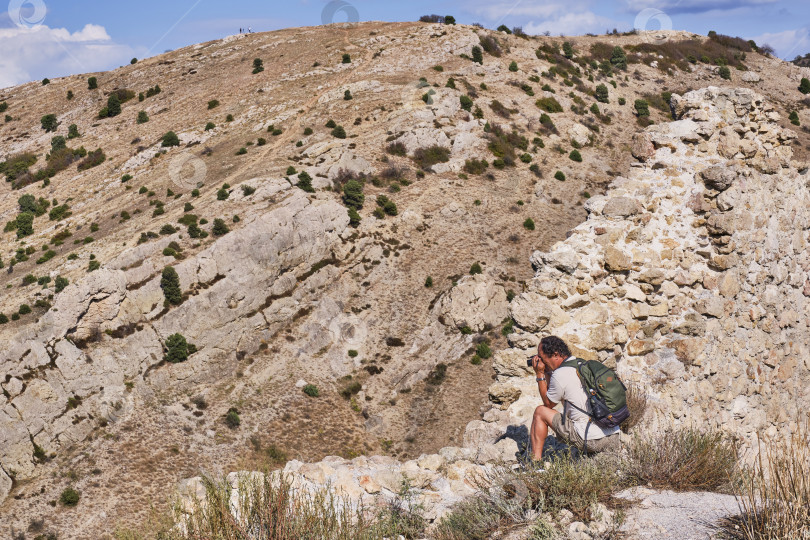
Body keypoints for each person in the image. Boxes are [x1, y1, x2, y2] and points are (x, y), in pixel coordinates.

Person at [529, 336, 620, 462]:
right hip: (613, 436)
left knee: (540, 411)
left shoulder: (560, 374)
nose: (541, 362)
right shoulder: (581, 364)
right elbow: (553, 390)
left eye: (542, 358)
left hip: (589, 439)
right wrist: (548, 372)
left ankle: (535, 463)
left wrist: (539, 374)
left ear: (556, 355)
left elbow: (548, 404)